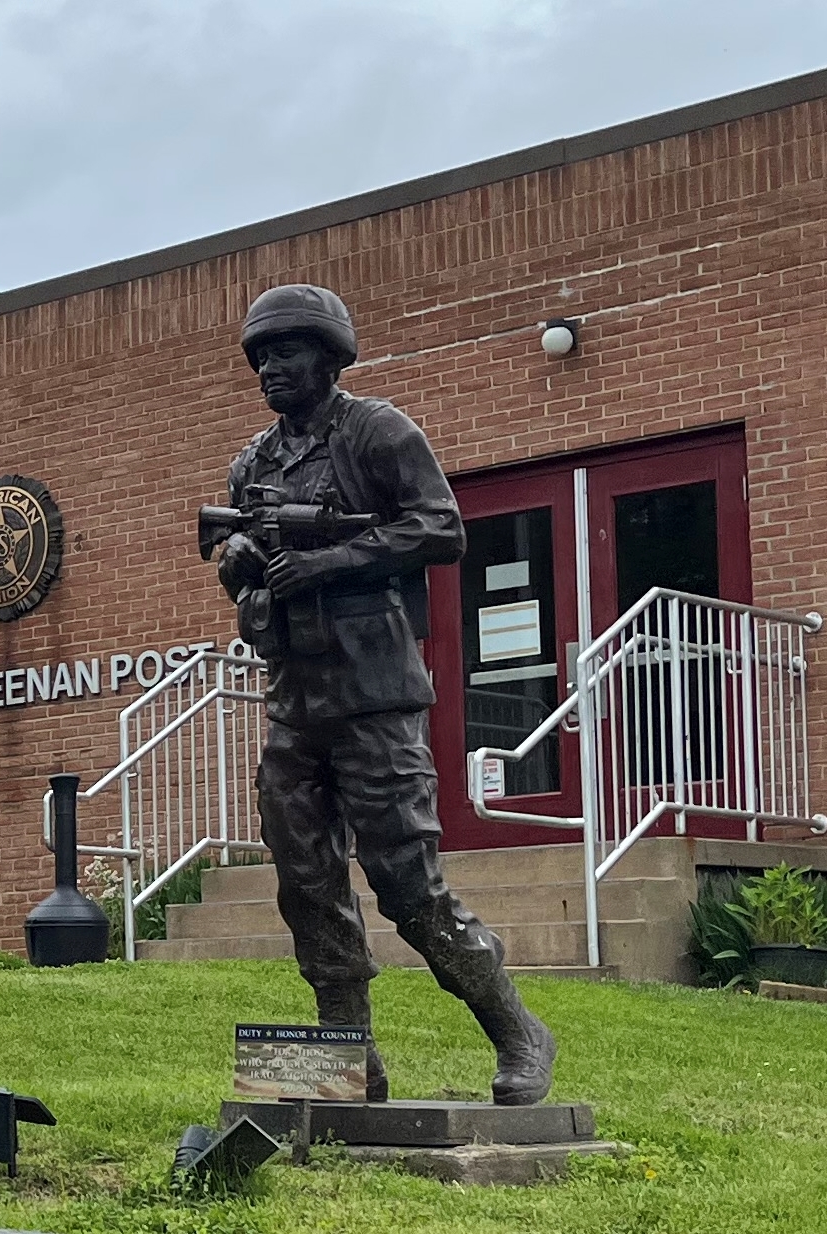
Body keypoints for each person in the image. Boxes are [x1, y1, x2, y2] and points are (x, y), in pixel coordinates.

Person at [213, 284, 556, 1105]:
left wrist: (329, 561)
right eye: (260, 358)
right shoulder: (254, 463)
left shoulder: (378, 431)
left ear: (329, 357)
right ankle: (347, 1062)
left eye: (286, 352)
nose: (270, 369)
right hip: (295, 700)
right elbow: (242, 564)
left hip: (374, 700)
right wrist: (240, 562)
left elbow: (442, 527)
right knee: (307, 886)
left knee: (406, 884)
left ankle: (517, 1030)